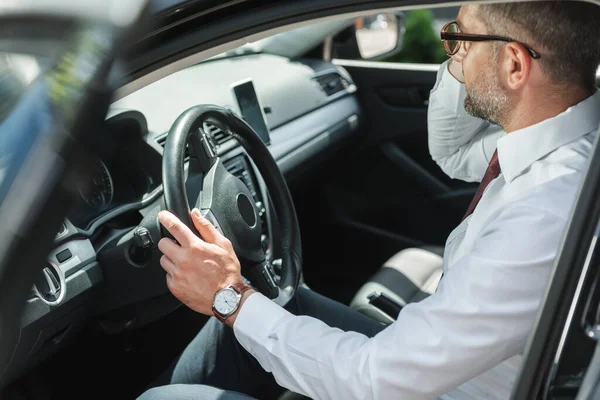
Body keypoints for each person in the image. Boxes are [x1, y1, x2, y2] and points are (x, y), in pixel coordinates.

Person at [138, 2, 600, 399]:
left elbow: (375, 382)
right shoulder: (562, 143)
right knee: (276, 311)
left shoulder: (543, 211)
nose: (452, 55)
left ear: (515, 67)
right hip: (445, 370)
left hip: (435, 387)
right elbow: (452, 152)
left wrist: (229, 297)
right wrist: (473, 51)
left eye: (461, 41)